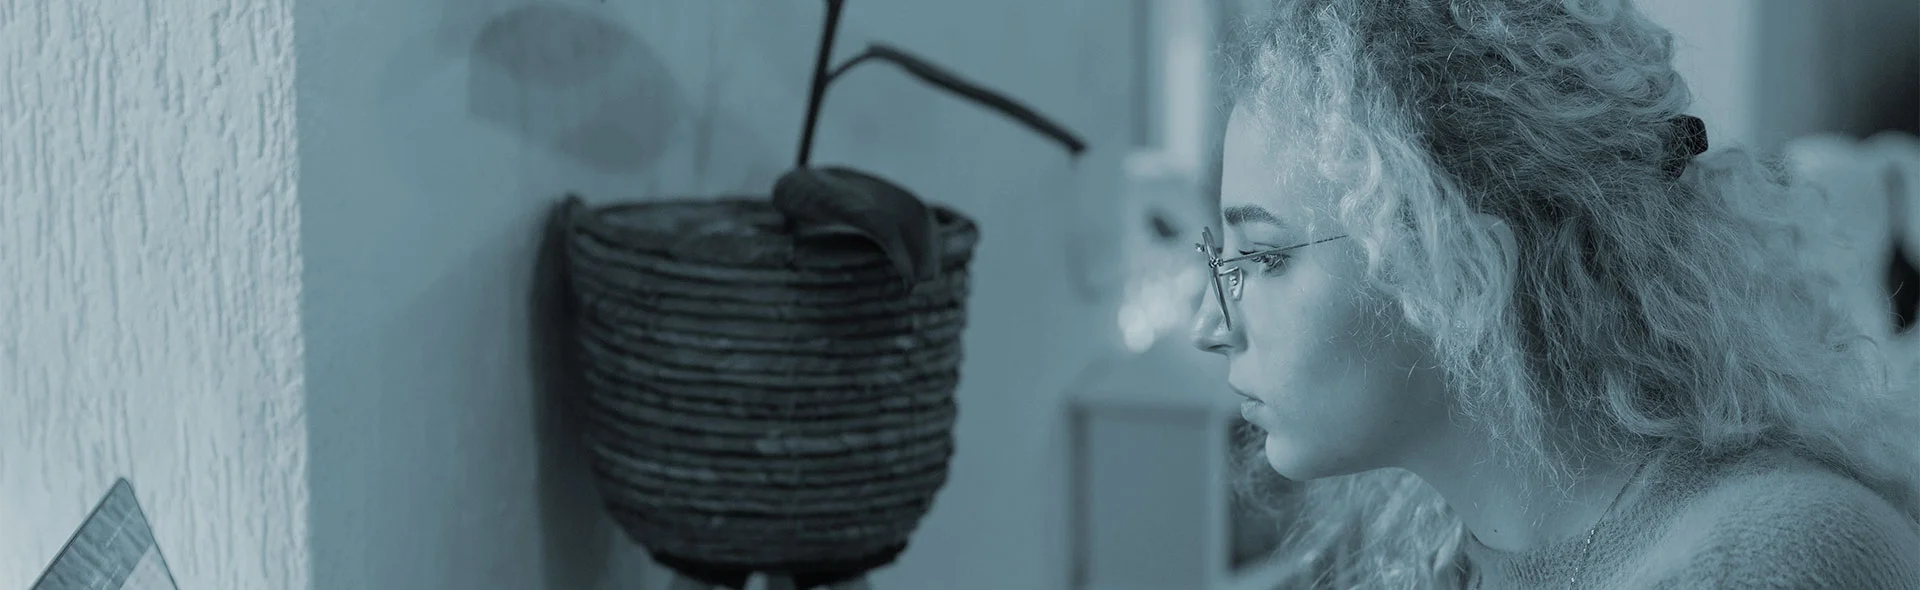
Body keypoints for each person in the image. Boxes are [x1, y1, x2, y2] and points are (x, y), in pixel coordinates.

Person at [1189, 1, 1920, 587]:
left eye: (1264, 255)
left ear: (1461, 271)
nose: (1209, 326)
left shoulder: (1774, 562)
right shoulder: (1446, 549)